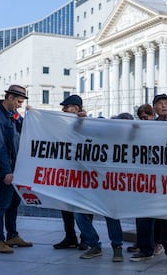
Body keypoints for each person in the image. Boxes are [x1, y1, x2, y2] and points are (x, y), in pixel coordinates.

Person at [130, 94, 167, 265]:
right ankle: (145, 249)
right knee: (143, 216)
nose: (164, 106)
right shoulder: (146, 127)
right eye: (160, 104)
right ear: (155, 108)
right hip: (147, 179)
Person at [75, 112, 127, 262]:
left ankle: (117, 247)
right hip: (89, 184)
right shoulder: (87, 139)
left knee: (111, 215)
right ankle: (94, 245)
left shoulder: (117, 141)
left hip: (109, 185)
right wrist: (80, 121)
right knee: (79, 214)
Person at [0, 85, 33, 253]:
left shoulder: (13, 115)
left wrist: (33, 115)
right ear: (10, 98)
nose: (20, 105)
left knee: (14, 203)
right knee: (2, 205)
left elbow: (26, 127)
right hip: (6, 169)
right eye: (19, 102)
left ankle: (12, 235)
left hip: (17, 168)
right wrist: (6, 171)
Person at [127, 104, 165, 256]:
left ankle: (157, 242)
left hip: (157, 179)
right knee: (142, 214)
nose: (144, 120)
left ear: (152, 116)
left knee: (157, 216)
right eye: (141, 118)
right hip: (142, 179)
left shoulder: (159, 129)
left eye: (146, 117)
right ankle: (144, 244)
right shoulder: (137, 131)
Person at [53, 95, 88, 250]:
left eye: (66, 107)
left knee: (84, 206)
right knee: (65, 206)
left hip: (82, 172)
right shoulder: (62, 124)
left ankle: (86, 237)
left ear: (76, 108)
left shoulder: (87, 123)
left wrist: (83, 120)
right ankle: (70, 237)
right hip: (66, 171)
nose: (63, 110)